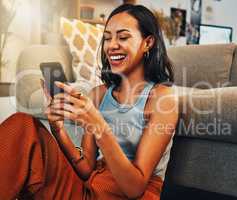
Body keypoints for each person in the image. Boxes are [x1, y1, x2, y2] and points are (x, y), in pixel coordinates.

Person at [0, 4, 178, 200]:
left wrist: (98, 124)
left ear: (148, 42)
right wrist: (57, 129)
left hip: (125, 195)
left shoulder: (162, 98)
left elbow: (134, 188)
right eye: (107, 38)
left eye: (123, 37)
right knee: (22, 125)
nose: (111, 46)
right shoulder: (99, 94)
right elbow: (86, 169)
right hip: (87, 191)